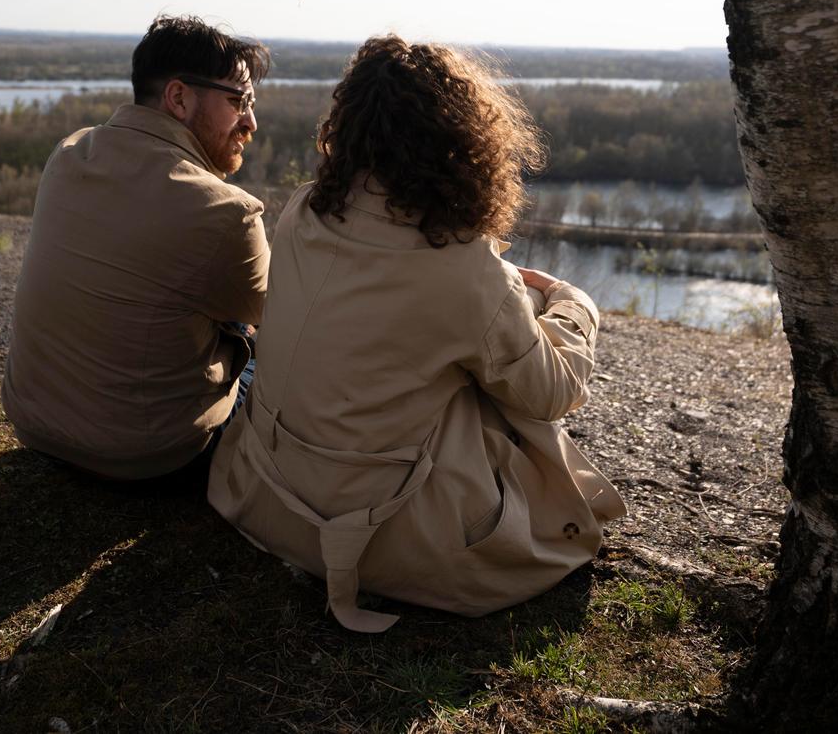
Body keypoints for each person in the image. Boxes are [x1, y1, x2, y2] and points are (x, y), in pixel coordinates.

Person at [208, 36, 625, 631]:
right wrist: (571, 303)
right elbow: (554, 393)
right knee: (510, 357)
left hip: (268, 501)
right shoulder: (463, 269)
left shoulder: (303, 212)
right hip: (394, 538)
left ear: (347, 126)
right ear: (463, 140)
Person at [3, 15, 271, 481]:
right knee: (272, 348)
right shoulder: (228, 212)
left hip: (37, 429)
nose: (250, 120)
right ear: (179, 97)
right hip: (156, 457)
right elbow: (275, 315)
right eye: (239, 100)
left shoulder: (68, 154)